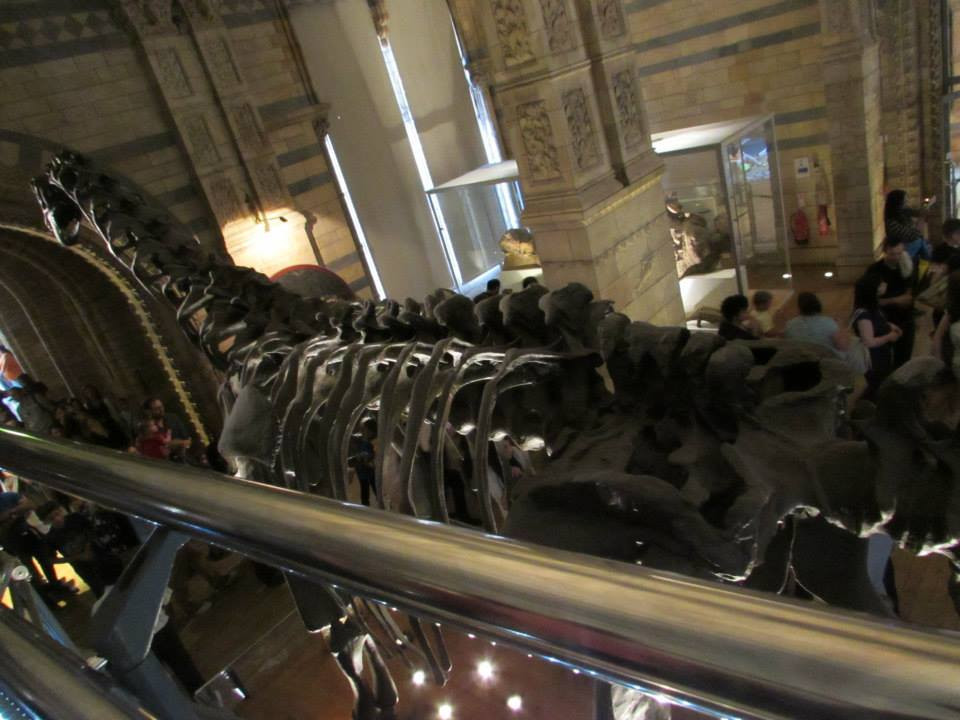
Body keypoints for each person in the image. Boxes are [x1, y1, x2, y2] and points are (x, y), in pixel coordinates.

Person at [852, 272, 901, 400]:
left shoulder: (872, 307)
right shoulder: (864, 314)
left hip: (881, 356)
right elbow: (869, 342)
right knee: (877, 387)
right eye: (880, 284)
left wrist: (889, 326)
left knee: (880, 385)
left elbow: (877, 323)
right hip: (874, 360)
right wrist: (889, 336)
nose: (884, 285)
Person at [869, 237, 915, 368]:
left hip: (906, 319)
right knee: (883, 360)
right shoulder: (875, 270)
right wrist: (895, 300)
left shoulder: (906, 265)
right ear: (884, 251)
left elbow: (911, 287)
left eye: (899, 253)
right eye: (892, 254)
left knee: (904, 359)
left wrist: (909, 295)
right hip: (885, 320)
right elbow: (870, 301)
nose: (896, 257)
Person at [784, 292, 848, 356]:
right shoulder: (829, 323)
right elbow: (843, 346)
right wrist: (841, 327)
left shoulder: (790, 324)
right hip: (827, 359)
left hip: (800, 358)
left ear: (799, 308)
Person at [884, 190, 930, 262]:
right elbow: (914, 235)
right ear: (898, 203)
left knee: (922, 242)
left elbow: (917, 212)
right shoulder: (892, 223)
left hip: (908, 243)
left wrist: (926, 205)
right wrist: (922, 218)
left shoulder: (903, 211)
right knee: (919, 241)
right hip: (899, 250)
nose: (907, 202)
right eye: (905, 201)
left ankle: (928, 260)